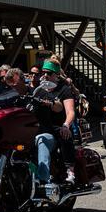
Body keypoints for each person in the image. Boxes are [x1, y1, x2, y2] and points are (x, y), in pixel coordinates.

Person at [31, 60, 76, 200]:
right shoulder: (39, 90)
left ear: (56, 75)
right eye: (42, 73)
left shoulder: (64, 90)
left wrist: (66, 125)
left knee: (64, 135)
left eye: (48, 73)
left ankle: (70, 171)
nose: (44, 76)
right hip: (39, 127)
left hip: (57, 128)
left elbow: (70, 112)